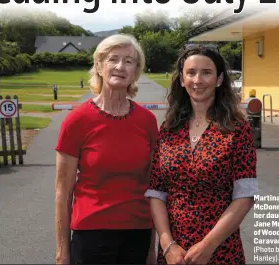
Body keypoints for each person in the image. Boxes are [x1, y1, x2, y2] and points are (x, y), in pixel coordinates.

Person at [145, 46, 258, 265]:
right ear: (181, 79)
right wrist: (167, 245)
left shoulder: (237, 128)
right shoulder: (169, 128)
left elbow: (245, 195)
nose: (198, 80)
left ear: (219, 79)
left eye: (206, 72)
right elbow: (157, 192)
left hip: (221, 249)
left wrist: (208, 246)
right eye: (191, 72)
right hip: (174, 254)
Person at [55, 34, 158, 264]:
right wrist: (62, 252)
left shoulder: (147, 121)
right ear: (99, 66)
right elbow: (63, 193)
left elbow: (153, 188)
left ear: (135, 71)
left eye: (129, 61)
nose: (120, 66)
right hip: (90, 236)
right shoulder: (76, 121)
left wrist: (152, 247)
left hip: (137, 235)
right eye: (113, 59)